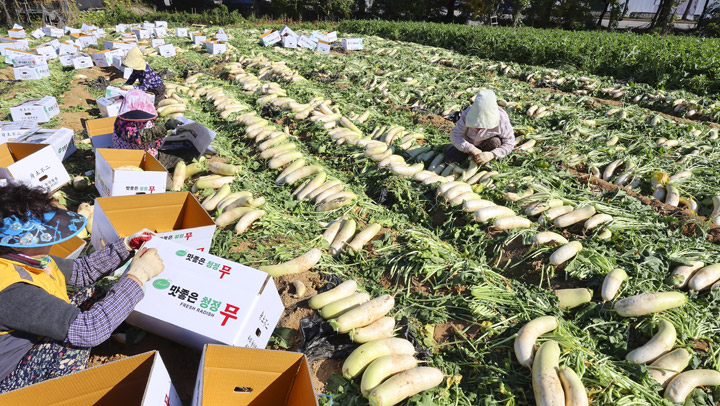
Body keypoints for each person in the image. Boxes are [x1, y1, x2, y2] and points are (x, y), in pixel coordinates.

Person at [0, 183, 164, 392]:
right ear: (18, 242)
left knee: (92, 296)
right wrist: (137, 276)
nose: (51, 240)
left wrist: (126, 246)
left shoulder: (23, 259)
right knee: (72, 344)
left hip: (30, 337)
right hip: (8, 379)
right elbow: (88, 330)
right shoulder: (12, 289)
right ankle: (57, 395)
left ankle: (122, 331)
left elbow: (80, 270)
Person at [445, 89, 515, 166]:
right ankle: (450, 149)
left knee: (495, 142)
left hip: (487, 146)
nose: (479, 128)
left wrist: (492, 154)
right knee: (449, 160)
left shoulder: (502, 118)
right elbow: (455, 135)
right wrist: (470, 148)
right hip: (467, 144)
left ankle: (486, 160)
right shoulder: (467, 113)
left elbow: (509, 143)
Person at [112, 89, 182, 160]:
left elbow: (151, 129)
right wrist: (165, 127)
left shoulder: (146, 119)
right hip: (134, 158)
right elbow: (139, 137)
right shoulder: (123, 123)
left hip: (149, 150)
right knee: (181, 157)